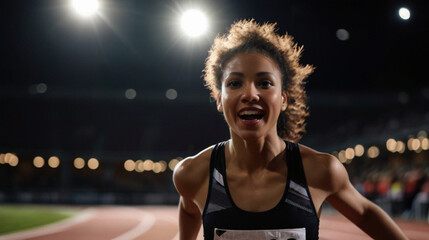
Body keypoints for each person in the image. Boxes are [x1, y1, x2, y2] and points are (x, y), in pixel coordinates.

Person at [173, 19, 408, 240]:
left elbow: (366, 213)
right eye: (235, 83)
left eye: (264, 83)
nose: (250, 94)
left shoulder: (320, 171)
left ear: (284, 99)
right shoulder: (193, 174)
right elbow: (190, 210)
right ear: (219, 99)